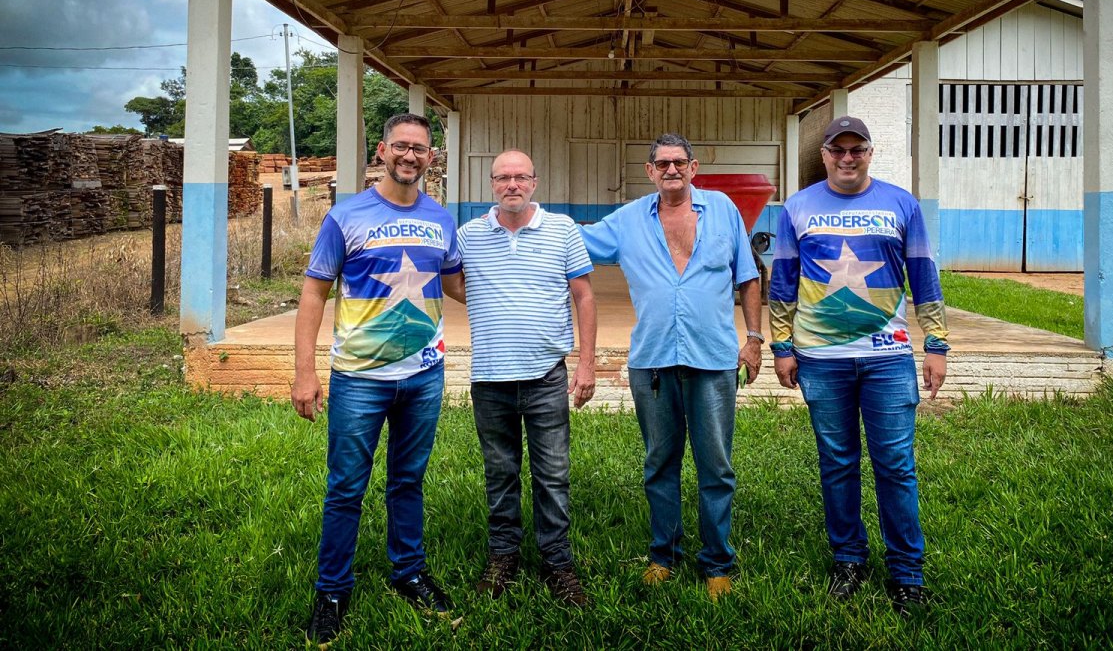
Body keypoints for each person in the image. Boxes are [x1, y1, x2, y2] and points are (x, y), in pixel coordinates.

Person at [768, 116, 950, 616]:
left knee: (896, 465)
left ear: (870, 152)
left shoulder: (901, 204)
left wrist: (936, 343)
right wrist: (781, 346)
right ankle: (848, 560)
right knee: (837, 463)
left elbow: (924, 275)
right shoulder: (798, 207)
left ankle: (907, 573)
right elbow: (783, 279)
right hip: (820, 358)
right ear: (824, 155)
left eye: (857, 149)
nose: (847, 158)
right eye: (838, 149)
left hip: (888, 358)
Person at [293, 113, 463, 646]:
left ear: (431, 157)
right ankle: (331, 591)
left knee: (408, 480)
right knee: (346, 487)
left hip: (424, 375)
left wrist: (533, 278)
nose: (410, 156)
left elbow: (458, 284)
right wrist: (304, 372)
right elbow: (314, 293)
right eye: (401, 146)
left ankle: (409, 572)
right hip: (359, 378)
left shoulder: (441, 219)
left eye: (420, 148)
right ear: (382, 151)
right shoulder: (346, 216)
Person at [579, 133, 763, 600]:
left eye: (679, 162)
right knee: (660, 463)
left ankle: (718, 561)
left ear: (693, 167)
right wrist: (522, 215)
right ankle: (664, 556)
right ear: (650, 171)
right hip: (654, 362)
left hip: (713, 359)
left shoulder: (722, 210)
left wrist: (755, 339)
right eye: (662, 164)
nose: (671, 170)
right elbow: (573, 242)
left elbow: (748, 277)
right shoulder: (627, 221)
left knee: (716, 466)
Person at [445, 149, 597, 607]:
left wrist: (587, 362)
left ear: (534, 182)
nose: (512, 184)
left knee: (553, 475)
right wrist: (492, 298)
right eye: (503, 177)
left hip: (546, 376)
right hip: (490, 378)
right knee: (500, 473)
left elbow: (584, 297)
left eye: (520, 177)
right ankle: (503, 557)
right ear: (492, 184)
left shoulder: (562, 230)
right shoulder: (469, 235)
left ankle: (557, 562)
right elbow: (453, 283)